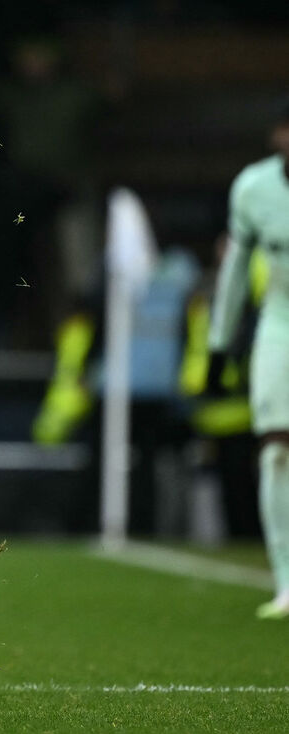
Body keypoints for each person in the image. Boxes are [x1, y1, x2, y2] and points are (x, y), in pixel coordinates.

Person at [208, 98, 289, 619]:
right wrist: (219, 344)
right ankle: (286, 581)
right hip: (280, 324)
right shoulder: (254, 189)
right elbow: (236, 271)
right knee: (277, 449)